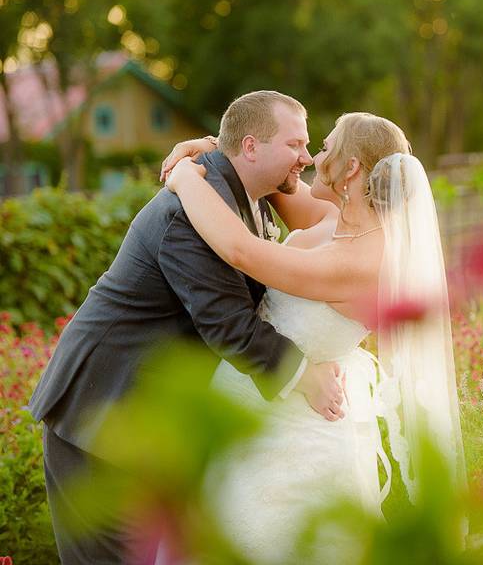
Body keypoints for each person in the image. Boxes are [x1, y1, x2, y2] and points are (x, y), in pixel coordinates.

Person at [28, 90, 346, 565]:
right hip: (101, 414)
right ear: (253, 147)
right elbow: (227, 323)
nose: (306, 157)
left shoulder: (247, 195)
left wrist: (205, 144)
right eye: (296, 144)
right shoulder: (192, 210)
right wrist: (304, 374)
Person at [162, 111, 466, 562]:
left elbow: (240, 250)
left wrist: (184, 179)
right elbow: (275, 182)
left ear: (351, 169)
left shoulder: (361, 263)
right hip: (256, 416)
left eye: (324, 147)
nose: (311, 157)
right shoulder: (336, 219)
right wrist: (209, 147)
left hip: (293, 438)